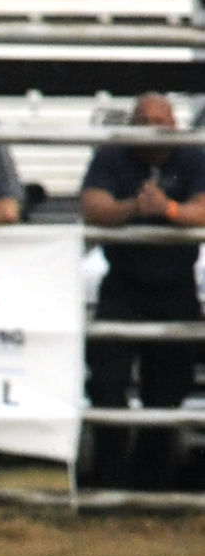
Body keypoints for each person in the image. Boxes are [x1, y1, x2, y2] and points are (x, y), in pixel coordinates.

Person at [78, 92, 205, 490]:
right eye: (144, 121)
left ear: (175, 126)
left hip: (175, 285)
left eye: (161, 122)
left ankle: (153, 486)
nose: (153, 129)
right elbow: (92, 207)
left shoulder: (193, 155)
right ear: (132, 125)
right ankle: (110, 482)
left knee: (167, 391)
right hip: (123, 284)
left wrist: (168, 209)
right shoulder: (112, 156)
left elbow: (202, 209)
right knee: (106, 384)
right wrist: (133, 207)